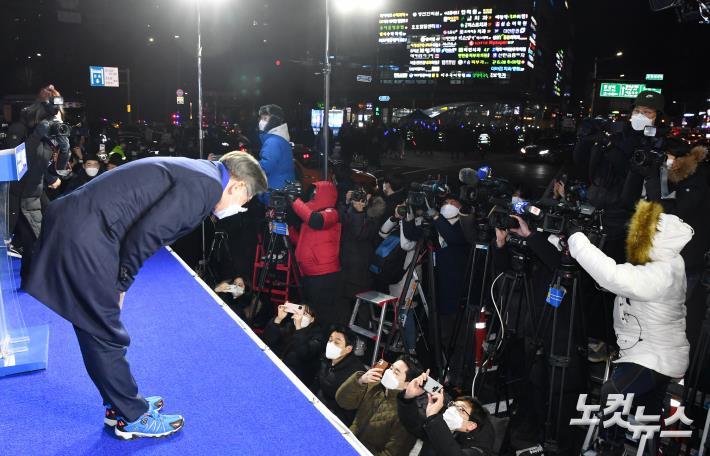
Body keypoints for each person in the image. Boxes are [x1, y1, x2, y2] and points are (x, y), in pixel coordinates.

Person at [25, 152, 268, 439]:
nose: (241, 207)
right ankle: (131, 415)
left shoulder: (203, 173)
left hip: (83, 225)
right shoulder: (205, 187)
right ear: (238, 186)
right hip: (86, 236)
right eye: (245, 200)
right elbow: (147, 235)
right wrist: (121, 283)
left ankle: (122, 404)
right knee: (103, 331)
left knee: (96, 327)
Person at [567, 200, 693, 455]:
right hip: (655, 351)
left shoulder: (663, 271)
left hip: (654, 356)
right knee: (647, 414)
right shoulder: (665, 261)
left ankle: (610, 447)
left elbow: (614, 277)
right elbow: (624, 279)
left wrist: (577, 240)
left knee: (613, 393)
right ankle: (650, 449)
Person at [8, 85, 70, 286]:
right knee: (32, 240)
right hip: (15, 195)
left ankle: (40, 275)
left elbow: (54, 169)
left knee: (55, 225)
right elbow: (12, 167)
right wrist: (36, 138)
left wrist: (65, 148)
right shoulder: (20, 129)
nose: (57, 117)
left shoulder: (51, 132)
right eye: (53, 111)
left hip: (34, 192)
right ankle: (30, 282)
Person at [335, 356, 422, 456]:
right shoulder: (375, 385)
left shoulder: (408, 414)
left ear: (407, 384)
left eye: (396, 372)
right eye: (391, 368)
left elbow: (392, 453)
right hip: (347, 442)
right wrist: (360, 381)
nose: (389, 372)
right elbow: (342, 401)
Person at [398, 370, 496, 456]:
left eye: (461, 409)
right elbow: (413, 425)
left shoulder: (481, 446)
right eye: (453, 405)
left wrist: (433, 419)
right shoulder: (448, 415)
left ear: (470, 426)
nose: (452, 410)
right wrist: (408, 397)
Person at [289, 180, 342, 327]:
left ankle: (325, 340)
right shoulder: (309, 216)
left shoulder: (332, 213)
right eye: (312, 193)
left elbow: (316, 221)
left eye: (316, 193)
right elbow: (301, 242)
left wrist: (294, 200)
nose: (312, 195)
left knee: (323, 313)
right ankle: (313, 339)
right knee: (312, 312)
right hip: (309, 273)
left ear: (326, 195)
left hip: (324, 274)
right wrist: (287, 230)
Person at [337, 189, 386, 324]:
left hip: (360, 268)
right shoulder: (352, 212)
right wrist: (347, 203)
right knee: (345, 302)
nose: (360, 201)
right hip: (347, 265)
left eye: (363, 198)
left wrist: (359, 211)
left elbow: (359, 233)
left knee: (362, 303)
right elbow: (343, 221)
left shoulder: (373, 217)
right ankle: (344, 334)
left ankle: (361, 338)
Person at [262, 304, 324, 389]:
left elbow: (304, 353)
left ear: (312, 319)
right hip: (278, 370)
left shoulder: (318, 335)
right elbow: (269, 340)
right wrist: (278, 319)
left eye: (305, 314)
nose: (301, 316)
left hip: (299, 379)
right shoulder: (289, 326)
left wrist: (298, 328)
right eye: (299, 313)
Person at [316, 326, 365, 426]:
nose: (331, 344)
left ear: (348, 349)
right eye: (330, 340)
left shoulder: (355, 373)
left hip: (336, 418)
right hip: (320, 403)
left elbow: (348, 406)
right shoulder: (326, 358)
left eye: (337, 342)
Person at [257, 104, 295, 194]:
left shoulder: (273, 142)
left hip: (274, 191)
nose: (261, 122)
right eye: (261, 118)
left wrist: (248, 167)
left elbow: (265, 167)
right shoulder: (280, 139)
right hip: (282, 188)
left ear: (274, 121)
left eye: (265, 119)